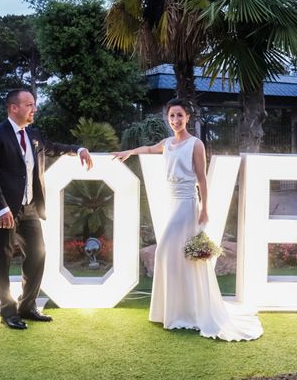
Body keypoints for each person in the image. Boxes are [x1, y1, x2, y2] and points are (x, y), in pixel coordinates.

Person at [112, 98, 262, 341]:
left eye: (180, 116)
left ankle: (190, 311)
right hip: (171, 202)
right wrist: (129, 152)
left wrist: (205, 208)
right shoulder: (167, 143)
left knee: (164, 253)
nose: (175, 120)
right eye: (172, 116)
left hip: (186, 203)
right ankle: (176, 311)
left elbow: (202, 178)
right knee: (176, 257)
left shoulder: (196, 144)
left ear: (188, 118)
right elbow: (149, 149)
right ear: (167, 118)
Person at [0, 88, 93, 330]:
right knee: (2, 259)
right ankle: (7, 311)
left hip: (30, 208)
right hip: (4, 212)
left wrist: (79, 149)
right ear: (14, 107)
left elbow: (53, 147)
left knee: (38, 254)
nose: (35, 108)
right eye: (29, 104)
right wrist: (1, 209)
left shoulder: (34, 135)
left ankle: (27, 306)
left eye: (34, 104)